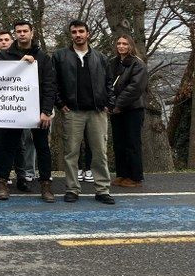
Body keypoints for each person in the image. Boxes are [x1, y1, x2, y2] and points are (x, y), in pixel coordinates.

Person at [0, 20, 57, 203]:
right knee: (8, 147)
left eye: (25, 31)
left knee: (42, 148)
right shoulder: (4, 56)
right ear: (15, 34)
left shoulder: (43, 57)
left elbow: (49, 85)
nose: (22, 34)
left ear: (32, 33)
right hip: (14, 109)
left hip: (38, 112)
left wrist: (46, 111)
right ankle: (2, 182)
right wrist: (20, 64)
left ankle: (45, 184)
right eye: (18, 31)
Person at [54, 20, 115, 204]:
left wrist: (109, 103)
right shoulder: (60, 56)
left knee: (100, 153)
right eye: (74, 32)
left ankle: (102, 190)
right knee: (71, 152)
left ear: (88, 33)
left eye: (81, 31)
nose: (78, 34)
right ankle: (72, 189)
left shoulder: (101, 57)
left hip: (97, 112)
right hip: (73, 111)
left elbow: (109, 83)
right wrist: (60, 103)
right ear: (70, 34)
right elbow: (54, 82)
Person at [110, 34, 148, 188]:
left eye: (125, 43)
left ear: (130, 46)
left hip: (132, 109)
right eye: (119, 43)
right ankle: (122, 174)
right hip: (116, 109)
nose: (121, 46)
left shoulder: (138, 64)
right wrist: (111, 104)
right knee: (119, 142)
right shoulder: (113, 62)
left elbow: (135, 88)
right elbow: (108, 83)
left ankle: (135, 177)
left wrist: (118, 105)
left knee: (132, 142)